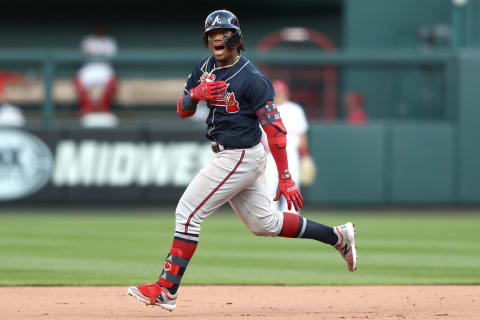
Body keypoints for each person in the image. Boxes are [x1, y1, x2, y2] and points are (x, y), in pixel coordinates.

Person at [127, 10, 357, 312]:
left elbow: (275, 131)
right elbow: (183, 109)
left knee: (187, 212)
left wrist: (286, 176)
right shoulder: (204, 67)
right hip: (228, 153)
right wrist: (195, 95)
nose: (216, 39)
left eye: (222, 34)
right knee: (266, 223)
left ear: (236, 38)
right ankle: (337, 237)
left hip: (240, 154)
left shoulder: (253, 79)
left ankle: (166, 289)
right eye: (211, 35)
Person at [262, 80, 316, 212]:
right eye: (277, 92)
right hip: (271, 155)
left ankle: (292, 220)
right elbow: (259, 134)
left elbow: (302, 135)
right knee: (270, 188)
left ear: (286, 93)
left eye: (281, 92)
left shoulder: (295, 109)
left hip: (290, 154)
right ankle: (271, 221)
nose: (279, 95)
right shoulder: (265, 109)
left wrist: (304, 156)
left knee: (292, 188)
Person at [74, 23, 118, 127]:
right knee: (78, 79)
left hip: (104, 67)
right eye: (97, 27)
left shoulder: (109, 41)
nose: (99, 29)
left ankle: (103, 108)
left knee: (111, 81)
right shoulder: (87, 40)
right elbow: (83, 53)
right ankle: (87, 108)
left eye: (101, 27)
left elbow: (111, 55)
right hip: (90, 67)